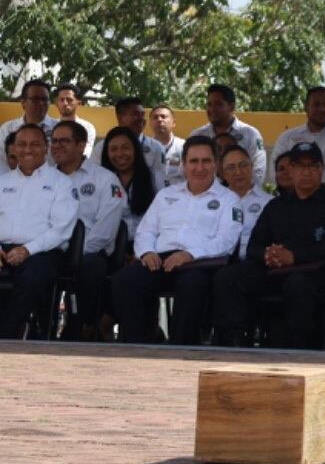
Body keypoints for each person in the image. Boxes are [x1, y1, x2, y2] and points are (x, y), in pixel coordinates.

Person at [213, 142, 325, 349]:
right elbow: (254, 246)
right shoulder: (277, 205)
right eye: (299, 166)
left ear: (321, 170)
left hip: (315, 276)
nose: (305, 172)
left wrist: (294, 256)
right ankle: (235, 344)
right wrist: (268, 255)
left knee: (297, 284)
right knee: (228, 277)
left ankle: (298, 350)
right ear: (292, 170)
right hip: (275, 272)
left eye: (311, 166)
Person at [110, 137, 242, 344]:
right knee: (124, 280)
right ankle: (139, 343)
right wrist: (146, 252)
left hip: (200, 263)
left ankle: (181, 347)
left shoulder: (229, 199)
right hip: (159, 259)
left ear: (216, 164)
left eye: (206, 161)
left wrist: (190, 254)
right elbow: (146, 230)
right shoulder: (166, 194)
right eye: (193, 161)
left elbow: (227, 240)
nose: (200, 167)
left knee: (192, 285)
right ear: (183, 164)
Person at [50, 121, 127, 340]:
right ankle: (39, 326)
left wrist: (75, 252)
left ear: (82, 145)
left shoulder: (105, 179)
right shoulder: (45, 178)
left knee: (91, 266)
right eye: (54, 141)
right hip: (51, 248)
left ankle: (83, 328)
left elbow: (105, 231)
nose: (57, 146)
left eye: (64, 141)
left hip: (89, 251)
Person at [0, 124, 77, 338]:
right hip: (2, 249)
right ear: (13, 149)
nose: (28, 150)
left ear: (46, 148)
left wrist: (27, 250)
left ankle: (6, 336)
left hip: (42, 251)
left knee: (35, 277)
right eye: (22, 144)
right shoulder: (2, 182)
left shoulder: (61, 183)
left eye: (35, 144)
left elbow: (61, 230)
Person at [270, 86, 325, 183]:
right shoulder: (287, 137)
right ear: (306, 107)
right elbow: (275, 171)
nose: (322, 109)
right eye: (316, 105)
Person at [188, 83, 267, 189]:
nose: (212, 109)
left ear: (231, 106)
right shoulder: (197, 135)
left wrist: (245, 195)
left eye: (218, 104)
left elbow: (258, 171)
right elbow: (187, 169)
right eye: (209, 104)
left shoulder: (250, 134)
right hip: (204, 196)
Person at [91, 97, 167, 189]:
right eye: (135, 114)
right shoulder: (102, 147)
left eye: (142, 114)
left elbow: (159, 184)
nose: (140, 119)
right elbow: (94, 179)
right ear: (120, 118)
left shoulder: (156, 148)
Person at [100, 126, 157, 240]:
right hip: (111, 246)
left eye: (125, 148)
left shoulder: (153, 178)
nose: (120, 154)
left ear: (135, 149)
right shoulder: (101, 180)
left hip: (146, 247)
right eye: (113, 149)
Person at [219, 147, 274, 257]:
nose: (238, 172)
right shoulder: (216, 202)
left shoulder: (269, 202)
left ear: (252, 167)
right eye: (231, 168)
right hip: (219, 260)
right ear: (222, 174)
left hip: (255, 261)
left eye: (243, 165)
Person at [0, 80, 56, 175]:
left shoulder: (59, 129)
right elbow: (1, 160)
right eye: (35, 99)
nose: (41, 103)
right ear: (23, 102)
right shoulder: (7, 128)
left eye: (45, 99)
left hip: (52, 183)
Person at [52, 83, 97, 150]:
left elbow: (85, 153)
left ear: (78, 103)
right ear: (56, 103)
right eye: (61, 100)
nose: (65, 103)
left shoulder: (87, 128)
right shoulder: (50, 126)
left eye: (69, 100)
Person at [149, 104, 185, 186]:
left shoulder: (184, 146)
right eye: (155, 117)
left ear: (174, 123)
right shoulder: (145, 148)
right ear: (150, 123)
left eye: (163, 116)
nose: (159, 120)